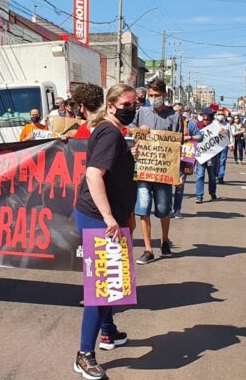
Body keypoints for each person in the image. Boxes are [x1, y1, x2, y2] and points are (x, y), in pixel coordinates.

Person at [73, 83, 138, 380]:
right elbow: (92, 175)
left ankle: (108, 332)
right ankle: (84, 355)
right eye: (125, 105)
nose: (131, 109)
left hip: (107, 217)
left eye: (134, 104)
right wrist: (110, 217)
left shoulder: (110, 131)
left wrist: (124, 216)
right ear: (111, 105)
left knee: (112, 283)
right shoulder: (111, 133)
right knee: (101, 290)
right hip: (98, 219)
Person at [131, 79, 181, 265]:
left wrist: (180, 172)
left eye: (156, 95)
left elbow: (179, 145)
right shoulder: (141, 112)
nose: (153, 98)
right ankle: (148, 249)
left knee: (163, 208)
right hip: (143, 168)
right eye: (151, 95)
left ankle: (165, 240)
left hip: (164, 171)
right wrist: (138, 130)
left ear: (164, 95)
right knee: (143, 208)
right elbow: (129, 132)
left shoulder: (174, 116)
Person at [194, 108, 228, 203]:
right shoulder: (197, 126)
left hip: (212, 156)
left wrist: (223, 134)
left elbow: (223, 139)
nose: (206, 121)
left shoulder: (216, 126)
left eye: (208, 119)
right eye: (205, 119)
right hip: (201, 156)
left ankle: (212, 192)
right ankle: (199, 196)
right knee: (200, 175)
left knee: (212, 176)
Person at [174, 112, 201, 219]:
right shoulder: (167, 120)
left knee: (180, 185)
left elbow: (200, 136)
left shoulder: (190, 124)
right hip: (168, 159)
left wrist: (189, 137)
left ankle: (177, 210)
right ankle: (166, 209)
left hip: (184, 159)